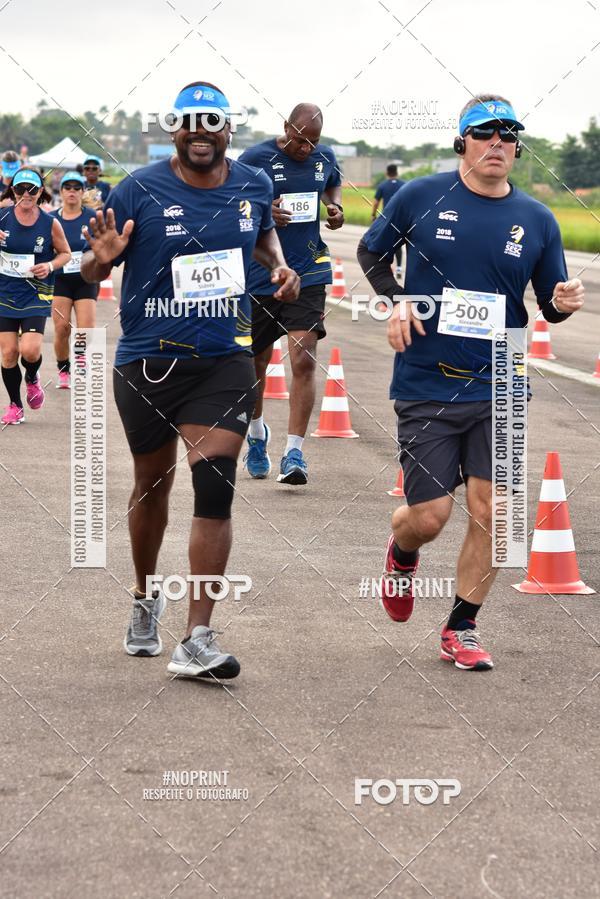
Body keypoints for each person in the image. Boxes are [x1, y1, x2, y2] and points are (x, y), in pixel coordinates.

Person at [357, 94, 585, 671]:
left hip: (503, 379)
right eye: (486, 134)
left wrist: (561, 304)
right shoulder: (420, 196)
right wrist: (396, 300)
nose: (499, 144)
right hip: (427, 377)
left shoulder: (537, 218)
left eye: (510, 136)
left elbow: (550, 305)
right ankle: (402, 551)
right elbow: (371, 250)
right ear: (462, 141)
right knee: (429, 516)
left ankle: (461, 627)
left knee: (495, 512)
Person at [81, 81, 299, 678]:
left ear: (229, 129)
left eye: (212, 123)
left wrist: (279, 267)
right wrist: (99, 258)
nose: (199, 133)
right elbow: (90, 264)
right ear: (173, 130)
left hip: (223, 358)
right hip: (149, 360)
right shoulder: (140, 187)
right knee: (152, 483)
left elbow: (259, 232)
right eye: (188, 124)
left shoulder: (254, 183)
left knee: (215, 485)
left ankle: (197, 637)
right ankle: (145, 596)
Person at [239, 103, 343, 485]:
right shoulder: (255, 158)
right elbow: (234, 202)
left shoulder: (324, 156)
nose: (306, 149)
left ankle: (294, 452)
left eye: (313, 142)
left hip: (309, 270)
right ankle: (256, 435)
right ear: (286, 128)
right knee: (255, 364)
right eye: (300, 141)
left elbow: (332, 182)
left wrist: (335, 207)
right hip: (261, 273)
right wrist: (266, 208)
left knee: (303, 358)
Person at [0, 168, 71, 424]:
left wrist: (50, 266)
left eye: (32, 189)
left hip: (35, 294)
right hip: (4, 293)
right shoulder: (2, 217)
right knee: (8, 353)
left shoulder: (50, 222)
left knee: (29, 351)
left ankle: (31, 377)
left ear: (40, 191)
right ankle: (15, 405)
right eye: (20, 189)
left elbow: (66, 253)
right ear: (13, 191)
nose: (26, 195)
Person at [51, 171, 98, 389]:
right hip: (59, 280)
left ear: (82, 192)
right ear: (60, 191)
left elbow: (102, 246)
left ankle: (80, 362)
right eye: (67, 187)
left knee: (85, 329)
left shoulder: (91, 217)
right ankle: (63, 369)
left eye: (76, 187)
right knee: (61, 329)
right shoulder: (51, 219)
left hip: (85, 279)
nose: (72, 191)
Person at [371, 163, 405, 277]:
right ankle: (399, 268)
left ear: (387, 173)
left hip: (386, 218)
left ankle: (384, 268)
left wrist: (373, 215)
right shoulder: (404, 185)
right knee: (398, 244)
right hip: (401, 218)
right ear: (397, 172)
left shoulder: (382, 185)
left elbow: (376, 202)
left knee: (384, 242)